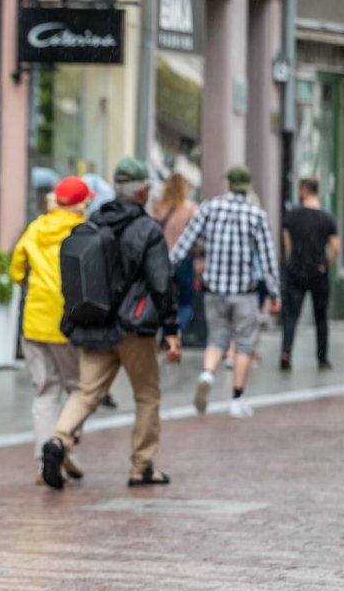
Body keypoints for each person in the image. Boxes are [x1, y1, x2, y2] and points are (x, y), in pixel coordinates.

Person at [40, 158, 181, 489]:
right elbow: (162, 284)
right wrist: (171, 329)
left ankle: (58, 441)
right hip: (134, 328)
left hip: (94, 323)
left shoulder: (94, 222)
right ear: (144, 191)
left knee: (87, 393)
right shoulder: (148, 229)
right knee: (146, 395)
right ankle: (141, 467)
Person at [169, 165, 281, 419]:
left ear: (229, 184)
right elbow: (267, 258)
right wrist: (275, 293)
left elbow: (185, 242)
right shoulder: (256, 215)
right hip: (244, 292)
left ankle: (207, 373)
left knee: (216, 338)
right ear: (248, 186)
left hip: (213, 290)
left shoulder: (209, 208)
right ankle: (237, 399)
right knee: (243, 343)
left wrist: (166, 268)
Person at [11, 176, 92, 487]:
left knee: (45, 392)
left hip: (34, 321)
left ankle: (43, 461)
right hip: (69, 322)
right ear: (82, 204)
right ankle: (62, 444)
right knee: (80, 390)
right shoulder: (82, 231)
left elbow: (16, 270)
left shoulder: (36, 228)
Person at [280, 177, 339, 370]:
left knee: (291, 315)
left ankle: (286, 352)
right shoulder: (327, 218)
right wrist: (325, 265)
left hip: (296, 270)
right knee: (321, 316)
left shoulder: (291, 216)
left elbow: (287, 244)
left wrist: (291, 262)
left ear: (304, 190)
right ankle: (322, 358)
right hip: (318, 272)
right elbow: (335, 248)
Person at [152, 172, 199, 333]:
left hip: (161, 260)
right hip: (183, 261)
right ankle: (174, 336)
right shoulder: (191, 208)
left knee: (162, 301)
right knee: (185, 302)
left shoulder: (159, 206)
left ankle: (163, 335)